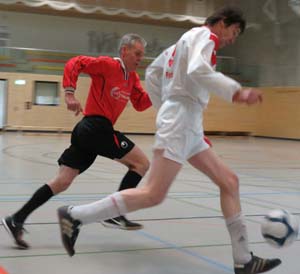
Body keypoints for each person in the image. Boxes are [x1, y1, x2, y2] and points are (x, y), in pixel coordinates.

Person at [57, 6, 281, 274]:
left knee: (230, 181)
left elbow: (153, 74)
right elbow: (199, 70)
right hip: (181, 121)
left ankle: (244, 260)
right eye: (234, 32)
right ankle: (75, 215)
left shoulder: (186, 39)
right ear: (222, 23)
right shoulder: (206, 38)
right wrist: (236, 92)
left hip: (185, 122)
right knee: (153, 194)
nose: (233, 38)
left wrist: (172, 112)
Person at [2, 33, 153, 249]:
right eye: (137, 53)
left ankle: (16, 219)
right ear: (124, 51)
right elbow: (76, 62)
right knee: (142, 164)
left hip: (89, 133)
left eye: (142, 55)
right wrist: (69, 93)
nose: (140, 59)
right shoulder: (108, 65)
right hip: (95, 127)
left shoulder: (133, 78)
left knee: (62, 181)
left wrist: (161, 92)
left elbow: (140, 103)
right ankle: (114, 212)